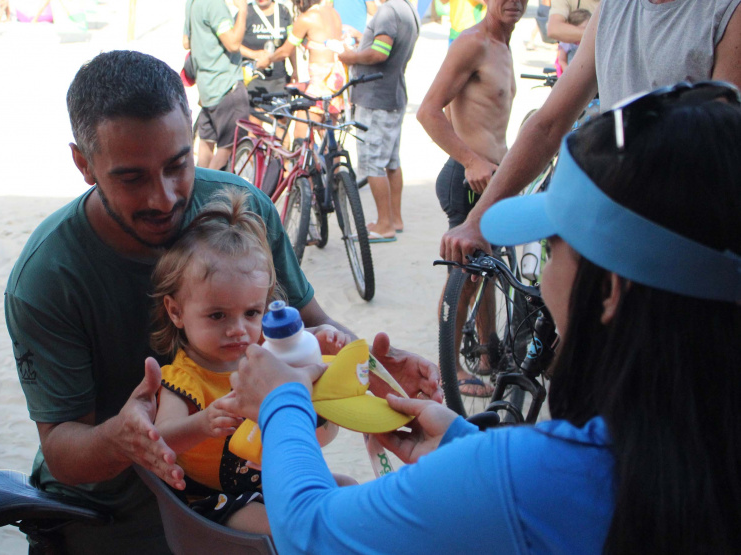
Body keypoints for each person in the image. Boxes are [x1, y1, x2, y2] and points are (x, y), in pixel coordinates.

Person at [229, 84, 741, 553]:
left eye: (553, 242)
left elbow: (311, 531)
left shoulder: (529, 476)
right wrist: (462, 445)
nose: (541, 270)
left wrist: (280, 403)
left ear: (610, 290)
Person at [4, 50, 439, 553]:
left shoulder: (242, 209)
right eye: (131, 177)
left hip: (256, 486)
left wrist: (373, 374)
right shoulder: (47, 277)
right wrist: (122, 439)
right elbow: (62, 450)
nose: (164, 197)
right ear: (84, 164)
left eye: (177, 164)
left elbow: (308, 328)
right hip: (110, 519)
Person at [441, 0, 741, 264]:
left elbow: (715, 152)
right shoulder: (614, 8)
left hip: (675, 245)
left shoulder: (726, 12)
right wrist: (476, 220)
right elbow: (548, 124)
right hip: (608, 225)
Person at [151, 189, 351, 534]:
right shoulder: (183, 378)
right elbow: (162, 440)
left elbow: (302, 366)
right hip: (214, 500)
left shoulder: (265, 353)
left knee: (349, 490)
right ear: (176, 311)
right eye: (217, 315)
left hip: (273, 480)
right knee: (291, 526)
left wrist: (317, 341)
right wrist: (204, 422)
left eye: (251, 313)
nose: (238, 330)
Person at [416, 0, 523, 397]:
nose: (513, 1)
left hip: (495, 181)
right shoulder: (472, 42)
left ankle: (487, 354)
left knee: (487, 268)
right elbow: (428, 111)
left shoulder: (504, 45)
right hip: (466, 179)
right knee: (465, 274)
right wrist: (472, 159)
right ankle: (451, 368)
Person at [338, 0, 419, 242]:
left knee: (372, 163)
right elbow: (386, 45)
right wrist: (362, 36)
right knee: (391, 161)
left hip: (377, 98)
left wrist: (350, 57)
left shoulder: (387, 11)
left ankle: (385, 224)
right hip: (393, 94)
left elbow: (380, 52)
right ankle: (394, 218)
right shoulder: (407, 9)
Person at [186, 0, 251, 170]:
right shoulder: (214, 4)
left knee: (206, 142)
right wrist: (243, 10)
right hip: (225, 86)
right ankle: (207, 193)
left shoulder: (192, 3)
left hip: (206, 87)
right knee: (230, 147)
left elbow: (186, 41)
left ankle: (196, 190)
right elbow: (233, 44)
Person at [262, 0, 347, 118]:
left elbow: (286, 51)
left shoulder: (306, 18)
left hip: (321, 78)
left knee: (301, 128)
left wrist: (268, 59)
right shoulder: (333, 13)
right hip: (337, 74)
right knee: (326, 128)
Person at [240, 0, 298, 94]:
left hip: (279, 79)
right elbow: (233, 44)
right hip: (253, 79)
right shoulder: (246, 12)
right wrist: (253, 54)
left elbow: (290, 45)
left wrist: (295, 70)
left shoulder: (283, 11)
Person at [554, 8, 590, 75]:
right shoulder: (567, 43)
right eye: (582, 29)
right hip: (570, 73)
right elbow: (561, 60)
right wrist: (568, 73)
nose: (584, 32)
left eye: (587, 28)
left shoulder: (589, 42)